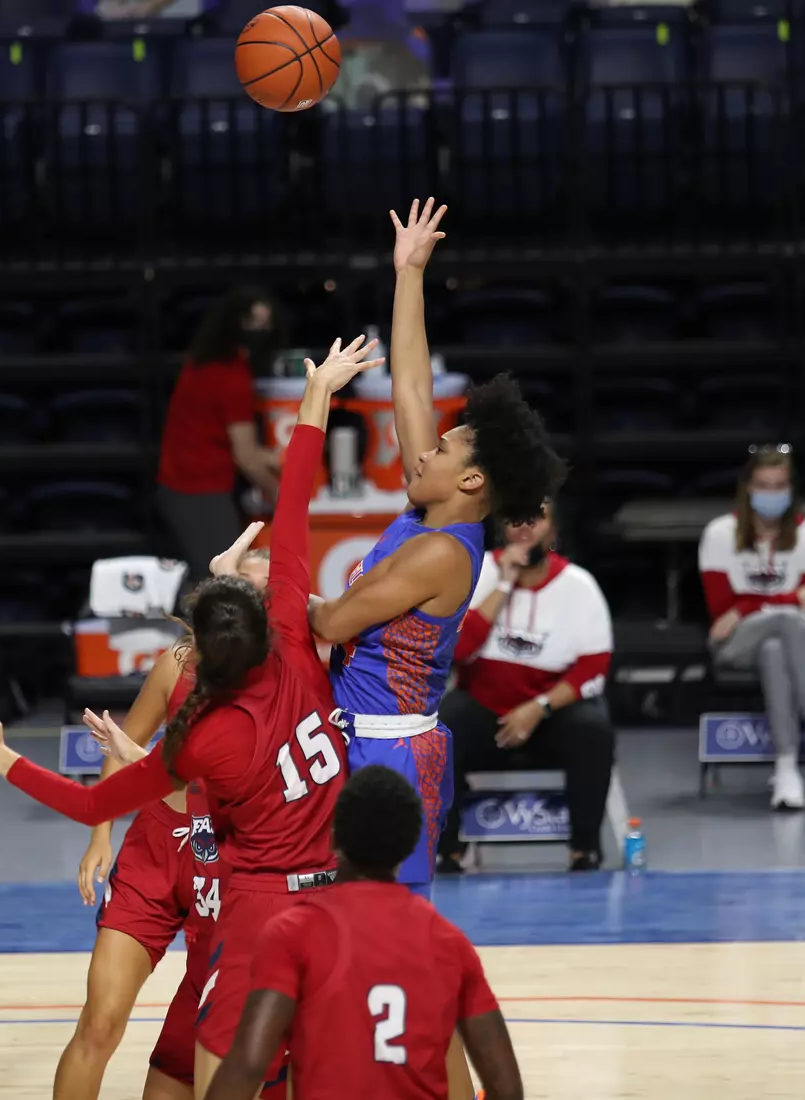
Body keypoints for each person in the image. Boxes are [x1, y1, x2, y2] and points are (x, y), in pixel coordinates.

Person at [0, 335, 386, 1098]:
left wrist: (1, 757)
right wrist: (319, 396)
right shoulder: (295, 644)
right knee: (316, 1062)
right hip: (331, 895)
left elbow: (89, 799)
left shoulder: (205, 741)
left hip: (257, 903)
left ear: (197, 653)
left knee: (217, 1070)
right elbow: (295, 497)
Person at [309, 200, 568, 894]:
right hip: (357, 733)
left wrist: (268, 586)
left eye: (443, 449)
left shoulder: (441, 554)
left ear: (472, 479)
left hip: (387, 750)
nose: (422, 454)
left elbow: (330, 623)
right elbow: (411, 382)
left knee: (387, 928)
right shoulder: (429, 512)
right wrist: (409, 274)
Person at [62, 543, 271, 1100]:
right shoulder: (176, 663)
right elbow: (122, 743)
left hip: (228, 867)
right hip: (157, 851)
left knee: (224, 1042)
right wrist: (100, 834)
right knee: (100, 1023)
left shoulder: (284, 679)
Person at [207, 765, 524, 1100]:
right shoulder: (450, 942)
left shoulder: (294, 933)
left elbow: (248, 1064)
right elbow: (507, 1087)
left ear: (332, 837)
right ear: (409, 846)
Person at [437, 500, 616, 872]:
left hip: (550, 713)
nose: (525, 527)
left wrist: (540, 707)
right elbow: (457, 650)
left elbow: (593, 668)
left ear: (553, 530)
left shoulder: (579, 586)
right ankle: (449, 850)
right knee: (443, 726)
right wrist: (503, 583)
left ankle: (584, 848)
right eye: (516, 517)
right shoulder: (478, 572)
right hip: (485, 707)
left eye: (537, 518)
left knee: (593, 729)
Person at [700, 444, 805, 810]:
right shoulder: (719, 533)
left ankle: (787, 768)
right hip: (736, 645)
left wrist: (749, 606)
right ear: (747, 488)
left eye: (779, 486)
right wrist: (787, 599)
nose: (771, 494)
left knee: (778, 646)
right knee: (788, 622)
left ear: (791, 490)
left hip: (795, 641)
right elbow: (722, 613)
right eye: (763, 485)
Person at [156, 287, 286, 583]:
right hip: (197, 490)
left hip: (183, 484)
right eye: (253, 323)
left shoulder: (203, 362)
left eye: (266, 323)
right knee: (224, 579)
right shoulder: (231, 376)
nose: (260, 331)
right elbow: (247, 457)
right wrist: (283, 496)